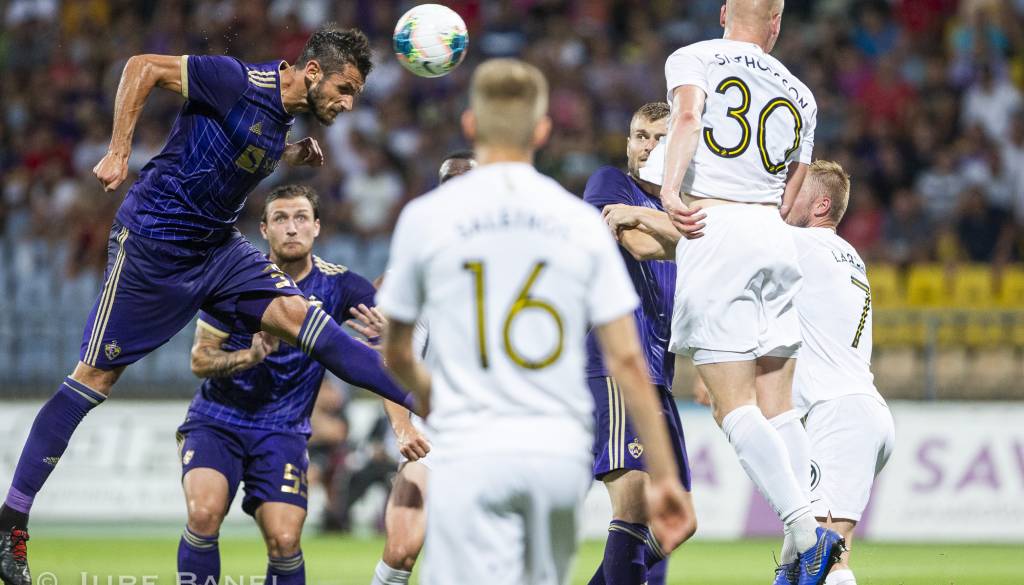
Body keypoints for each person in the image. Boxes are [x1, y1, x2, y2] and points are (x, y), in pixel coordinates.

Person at [0, 25, 416, 585]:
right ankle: (11, 520)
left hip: (218, 250)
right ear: (313, 72)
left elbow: (236, 147)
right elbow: (142, 66)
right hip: (153, 246)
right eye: (345, 89)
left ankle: (427, 400)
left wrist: (288, 154)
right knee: (94, 379)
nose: (348, 103)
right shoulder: (235, 79)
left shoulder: (282, 122)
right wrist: (119, 151)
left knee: (300, 317)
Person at [376, 58, 691, 585]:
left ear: (471, 125)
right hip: (550, 448)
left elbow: (395, 350)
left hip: (469, 442)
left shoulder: (425, 219)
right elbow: (625, 357)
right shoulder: (576, 220)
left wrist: (433, 402)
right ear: (542, 131)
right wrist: (661, 470)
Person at [636, 1, 845, 583]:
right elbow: (793, 187)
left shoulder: (695, 56)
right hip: (774, 237)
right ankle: (797, 555)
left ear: (725, 11)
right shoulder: (802, 94)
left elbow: (686, 117)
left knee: (733, 406)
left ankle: (808, 537)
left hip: (717, 227)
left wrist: (671, 192)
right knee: (779, 407)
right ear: (776, 23)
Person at [179, 184, 385, 585]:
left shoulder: (339, 286)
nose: (292, 228)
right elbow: (200, 359)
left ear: (317, 227)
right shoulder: (236, 278)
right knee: (203, 514)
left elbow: (389, 324)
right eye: (281, 218)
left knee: (285, 540)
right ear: (264, 229)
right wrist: (248, 357)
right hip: (218, 420)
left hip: (283, 429)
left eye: (301, 218)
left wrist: (389, 322)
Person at [583, 103, 697, 585]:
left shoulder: (684, 202)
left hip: (658, 373)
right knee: (631, 502)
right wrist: (693, 236)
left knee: (678, 521)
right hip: (614, 363)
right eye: (639, 136)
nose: (646, 147)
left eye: (660, 138)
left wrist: (651, 220)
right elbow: (642, 245)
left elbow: (700, 242)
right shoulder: (610, 183)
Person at [778, 161, 896, 585]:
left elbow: (726, 230)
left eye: (794, 191)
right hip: (856, 410)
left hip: (839, 414)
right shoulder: (847, 255)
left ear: (821, 205)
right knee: (801, 558)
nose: (783, 199)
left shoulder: (804, 245)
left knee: (823, 558)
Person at [366, 150, 477, 585]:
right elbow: (392, 359)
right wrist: (402, 427)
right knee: (400, 549)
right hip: (435, 431)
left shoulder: (516, 260)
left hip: (494, 432)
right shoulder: (417, 267)